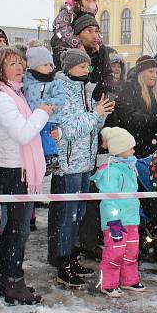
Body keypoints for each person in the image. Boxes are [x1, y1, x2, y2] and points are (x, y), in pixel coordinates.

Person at [0, 46, 52, 305]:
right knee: (16, 231)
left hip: (21, 168)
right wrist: (43, 112)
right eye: (13, 63)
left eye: (21, 62)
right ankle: (12, 281)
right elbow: (23, 133)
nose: (20, 67)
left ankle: (12, 279)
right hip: (14, 170)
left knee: (17, 230)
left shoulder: (14, 93)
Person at [55, 49, 114, 288]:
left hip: (86, 161)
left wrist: (101, 114)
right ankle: (62, 263)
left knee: (78, 213)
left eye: (88, 67)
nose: (86, 71)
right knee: (68, 215)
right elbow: (67, 129)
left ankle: (72, 256)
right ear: (69, 68)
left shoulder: (85, 90)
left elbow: (90, 124)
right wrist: (94, 115)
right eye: (81, 67)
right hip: (69, 164)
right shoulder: (62, 91)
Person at [91, 127, 145, 298]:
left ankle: (129, 279)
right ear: (119, 149)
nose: (133, 151)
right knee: (114, 251)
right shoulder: (109, 171)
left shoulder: (129, 167)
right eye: (130, 147)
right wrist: (114, 219)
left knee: (131, 250)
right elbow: (108, 198)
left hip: (131, 219)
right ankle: (108, 283)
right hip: (115, 221)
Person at [114, 55, 157, 157]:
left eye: (156, 72)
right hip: (135, 147)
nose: (154, 75)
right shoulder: (128, 89)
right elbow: (128, 118)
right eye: (150, 72)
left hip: (156, 147)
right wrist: (155, 118)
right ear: (141, 73)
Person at [22, 46, 67, 173]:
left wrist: (48, 106)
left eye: (50, 64)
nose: (49, 67)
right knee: (36, 138)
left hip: (49, 117)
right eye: (45, 64)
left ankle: (51, 157)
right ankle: (42, 159)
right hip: (32, 118)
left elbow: (60, 98)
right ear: (33, 66)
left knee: (46, 135)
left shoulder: (54, 82)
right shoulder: (26, 81)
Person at [51, 0, 99, 69]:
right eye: (88, 0)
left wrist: (97, 42)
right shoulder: (68, 11)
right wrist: (77, 44)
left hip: (83, 50)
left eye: (93, 0)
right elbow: (61, 29)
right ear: (79, 1)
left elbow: (93, 31)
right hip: (65, 47)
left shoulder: (89, 13)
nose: (91, 4)